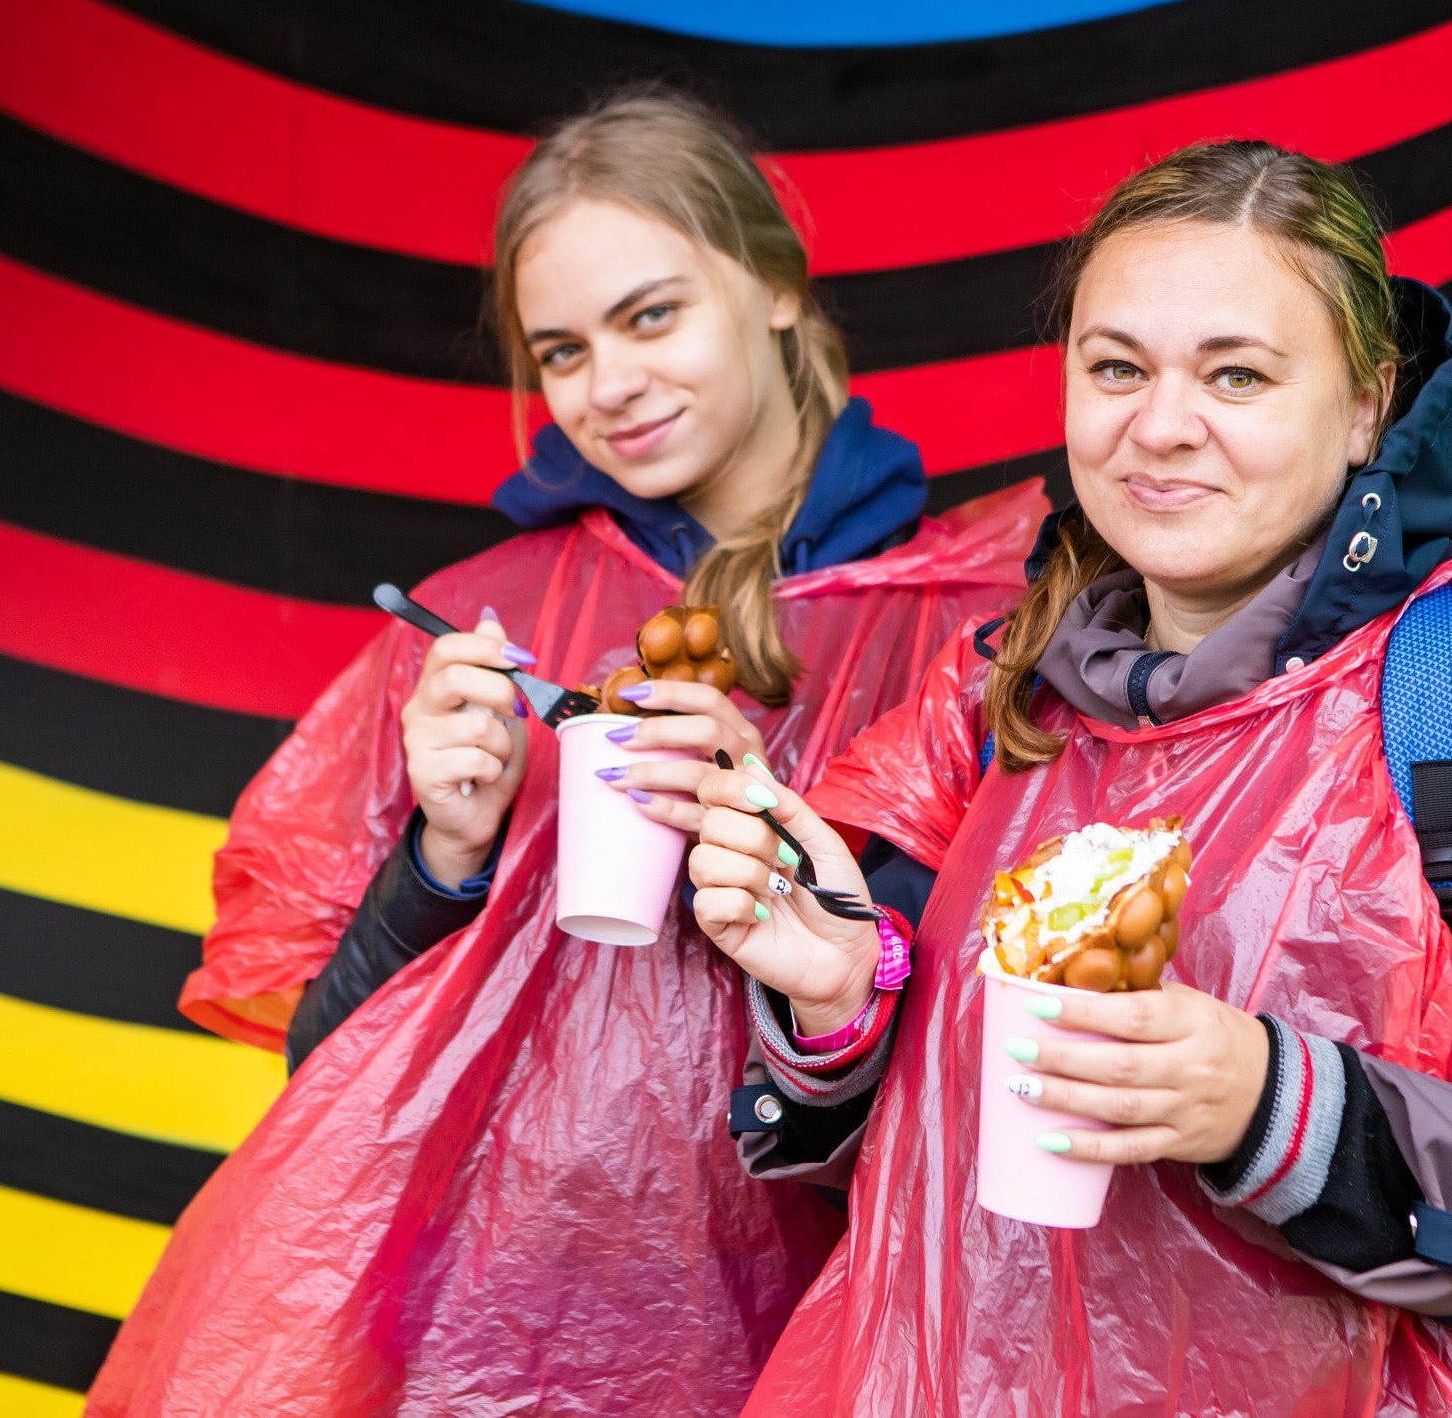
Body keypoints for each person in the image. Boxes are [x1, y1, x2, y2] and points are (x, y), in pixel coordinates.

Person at [684, 141, 1452, 1416]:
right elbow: (896, 1164)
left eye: (1234, 373)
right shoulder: (992, 698)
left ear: (1365, 405)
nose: (1160, 423)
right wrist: (845, 1001)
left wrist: (1264, 1102)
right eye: (1116, 366)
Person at [86, 90, 1044, 1417]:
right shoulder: (481, 621)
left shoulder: (985, 626)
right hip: (468, 1348)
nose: (612, 383)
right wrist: (447, 846)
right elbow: (334, 1071)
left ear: (772, 283)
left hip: (832, 1347)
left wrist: (803, 880)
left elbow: (1009, 1068)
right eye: (563, 349)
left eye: (652, 314)